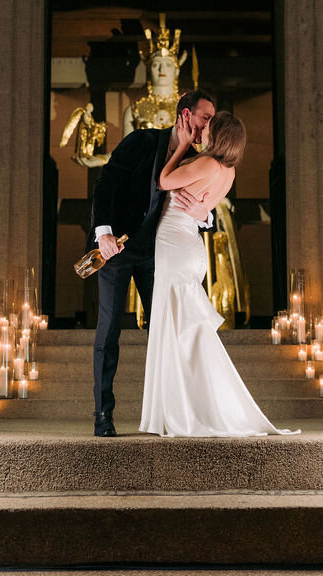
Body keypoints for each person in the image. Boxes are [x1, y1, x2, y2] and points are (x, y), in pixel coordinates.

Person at [139, 110, 295, 437]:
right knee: (189, 334)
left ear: (219, 134)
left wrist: (181, 147)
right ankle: (196, 403)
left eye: (208, 127)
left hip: (175, 246)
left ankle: (187, 408)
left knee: (179, 332)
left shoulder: (208, 163)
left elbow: (164, 182)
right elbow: (203, 208)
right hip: (189, 247)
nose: (202, 131)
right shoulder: (229, 172)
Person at [88, 89, 217, 437]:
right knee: (109, 330)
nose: (210, 125)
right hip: (116, 249)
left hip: (157, 256)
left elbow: (207, 206)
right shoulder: (141, 141)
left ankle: (175, 413)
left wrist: (204, 215)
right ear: (186, 115)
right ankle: (103, 414)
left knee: (168, 331)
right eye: (206, 117)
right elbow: (105, 184)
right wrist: (103, 233)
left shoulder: (196, 159)